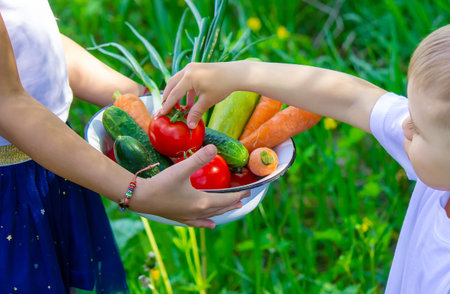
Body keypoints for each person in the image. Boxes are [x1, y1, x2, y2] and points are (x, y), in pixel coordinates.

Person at [161, 25, 450, 293]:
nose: (404, 126)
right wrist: (241, 75)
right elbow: (355, 99)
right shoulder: (440, 166)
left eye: (419, 128)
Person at [0, 1, 249, 293]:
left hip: (53, 160)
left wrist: (146, 103)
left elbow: (31, 40)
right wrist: (136, 191)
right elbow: (7, 104)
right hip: (11, 189)